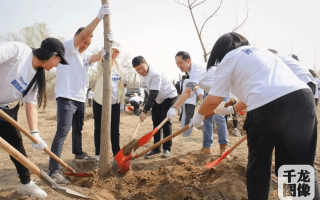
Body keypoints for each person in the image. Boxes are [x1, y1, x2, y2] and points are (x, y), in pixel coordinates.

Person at [189, 32, 319, 199]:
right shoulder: (262, 52)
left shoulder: (229, 58)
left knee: (259, 164)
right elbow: (254, 95)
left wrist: (199, 116)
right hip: (303, 98)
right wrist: (230, 110)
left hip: (268, 106)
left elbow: (214, 99)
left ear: (219, 51)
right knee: (298, 166)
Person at [49, 4, 111, 184]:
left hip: (79, 98)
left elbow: (97, 56)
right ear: (76, 38)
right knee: (62, 130)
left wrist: (109, 45)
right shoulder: (67, 48)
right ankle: (53, 169)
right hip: (66, 96)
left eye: (88, 44)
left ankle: (78, 153)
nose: (85, 45)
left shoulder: (84, 56)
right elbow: (84, 35)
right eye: (84, 41)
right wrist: (98, 17)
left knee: (78, 128)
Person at [0, 37, 69, 198]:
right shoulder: (18, 51)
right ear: (53, 55)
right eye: (59, 60)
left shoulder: (36, 76)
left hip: (4, 108)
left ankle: (25, 184)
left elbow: (30, 104)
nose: (57, 65)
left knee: (16, 144)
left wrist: (35, 133)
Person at [166, 51, 229, 155]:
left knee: (219, 117)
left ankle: (223, 148)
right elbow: (197, 84)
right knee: (207, 118)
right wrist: (194, 89)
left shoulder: (195, 68)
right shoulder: (191, 71)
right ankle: (207, 147)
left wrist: (174, 107)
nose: (178, 66)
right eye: (177, 63)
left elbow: (187, 91)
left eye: (180, 63)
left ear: (188, 61)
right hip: (211, 91)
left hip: (223, 87)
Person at [132, 56, 178, 158]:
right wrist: (145, 107)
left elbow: (153, 94)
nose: (140, 71)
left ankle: (167, 149)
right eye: (137, 69)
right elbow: (148, 93)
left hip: (169, 96)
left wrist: (145, 111)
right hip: (158, 98)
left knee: (164, 121)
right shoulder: (141, 75)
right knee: (156, 121)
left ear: (146, 63)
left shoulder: (155, 73)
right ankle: (156, 148)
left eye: (142, 67)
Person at [93, 42, 124, 161]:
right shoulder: (103, 62)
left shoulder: (118, 66)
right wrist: (104, 52)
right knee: (99, 127)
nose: (114, 54)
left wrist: (121, 101)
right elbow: (100, 65)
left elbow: (120, 84)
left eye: (117, 52)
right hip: (100, 100)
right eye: (113, 50)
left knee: (115, 129)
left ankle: (117, 153)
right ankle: (99, 153)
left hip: (114, 101)